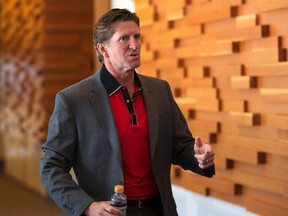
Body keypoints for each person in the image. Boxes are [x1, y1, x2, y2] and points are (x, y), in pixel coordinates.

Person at [40, 8, 215, 216]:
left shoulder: (160, 90)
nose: (135, 44)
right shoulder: (73, 100)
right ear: (103, 49)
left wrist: (200, 158)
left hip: (160, 210)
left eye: (137, 36)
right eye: (124, 38)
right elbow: (51, 167)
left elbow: (181, 145)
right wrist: (87, 206)